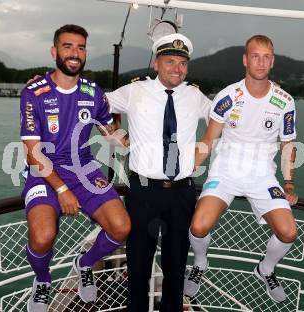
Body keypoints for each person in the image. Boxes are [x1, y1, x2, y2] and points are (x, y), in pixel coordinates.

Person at [20, 24, 131, 312]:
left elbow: (112, 133)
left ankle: (83, 264)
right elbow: (33, 154)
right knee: (43, 236)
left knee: (121, 228)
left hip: (84, 169)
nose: (75, 53)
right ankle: (43, 281)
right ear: (54, 51)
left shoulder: (93, 91)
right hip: (44, 172)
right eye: (68, 46)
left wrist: (134, 143)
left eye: (81, 47)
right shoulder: (34, 92)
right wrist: (61, 189)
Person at [183, 34, 298, 303]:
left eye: (266, 57)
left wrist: (289, 182)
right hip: (225, 171)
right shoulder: (227, 97)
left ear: (273, 61)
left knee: (289, 232)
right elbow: (208, 140)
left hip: (262, 175)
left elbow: (288, 145)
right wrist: (188, 172)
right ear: (246, 60)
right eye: (255, 56)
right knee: (199, 226)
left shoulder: (285, 101)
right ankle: (200, 263)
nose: (260, 62)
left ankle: (265, 268)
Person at [106, 33, 211, 311]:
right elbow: (94, 106)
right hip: (144, 192)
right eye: (170, 61)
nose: (177, 68)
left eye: (182, 63)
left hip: (182, 193)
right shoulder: (134, 91)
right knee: (138, 266)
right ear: (156, 63)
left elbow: (222, 119)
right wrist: (117, 135)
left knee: (176, 268)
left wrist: (204, 151)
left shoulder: (194, 95)